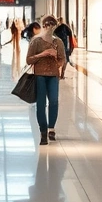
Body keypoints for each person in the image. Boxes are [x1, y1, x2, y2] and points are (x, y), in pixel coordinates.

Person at [27, 16, 66, 145]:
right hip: (40, 75)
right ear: (43, 26)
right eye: (47, 25)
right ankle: (43, 130)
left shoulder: (58, 42)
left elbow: (62, 59)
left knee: (54, 101)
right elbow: (29, 60)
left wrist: (57, 60)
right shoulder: (36, 42)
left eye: (52, 25)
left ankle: (51, 127)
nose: (49, 27)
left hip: (53, 74)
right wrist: (42, 54)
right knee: (41, 103)